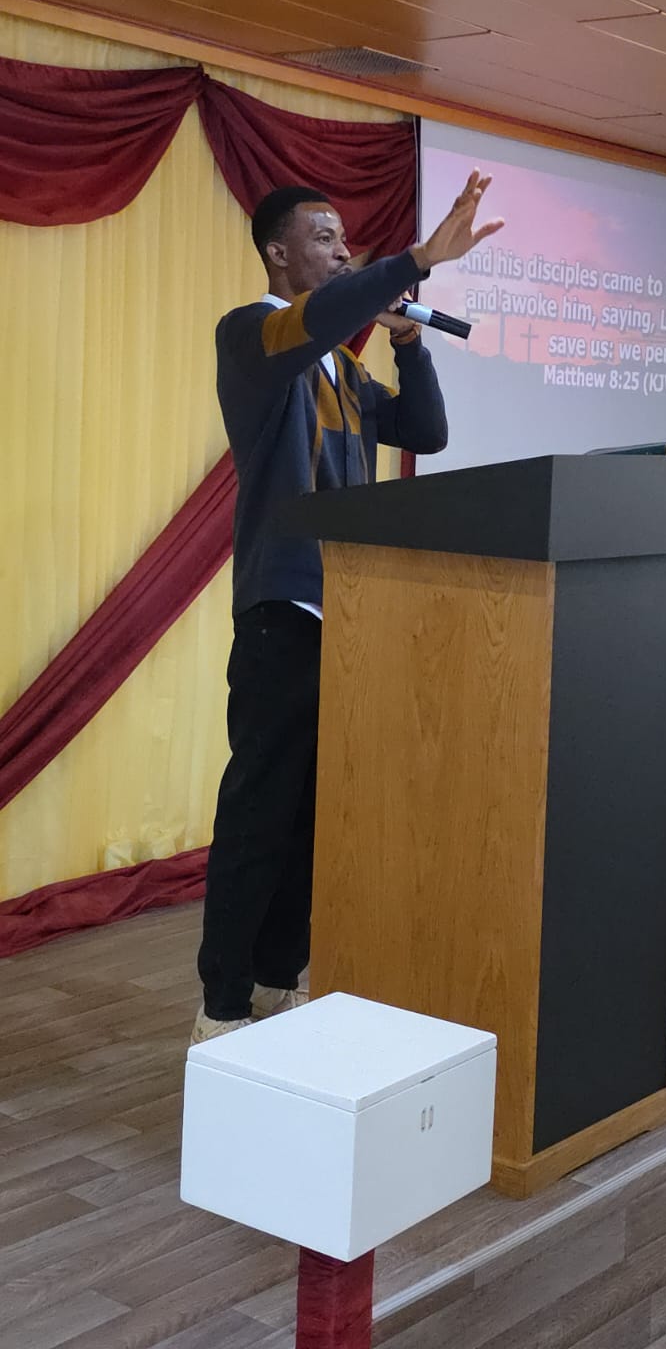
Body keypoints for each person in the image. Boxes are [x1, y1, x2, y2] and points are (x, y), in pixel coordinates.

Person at [192, 170, 503, 1043]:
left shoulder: (344, 368)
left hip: (351, 618)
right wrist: (416, 260)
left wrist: (410, 344)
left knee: (313, 815)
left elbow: (426, 432)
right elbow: (315, 320)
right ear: (277, 253)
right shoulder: (252, 335)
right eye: (323, 239)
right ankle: (221, 1006)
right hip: (282, 608)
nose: (340, 252)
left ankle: (276, 980)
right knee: (260, 813)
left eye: (343, 240)